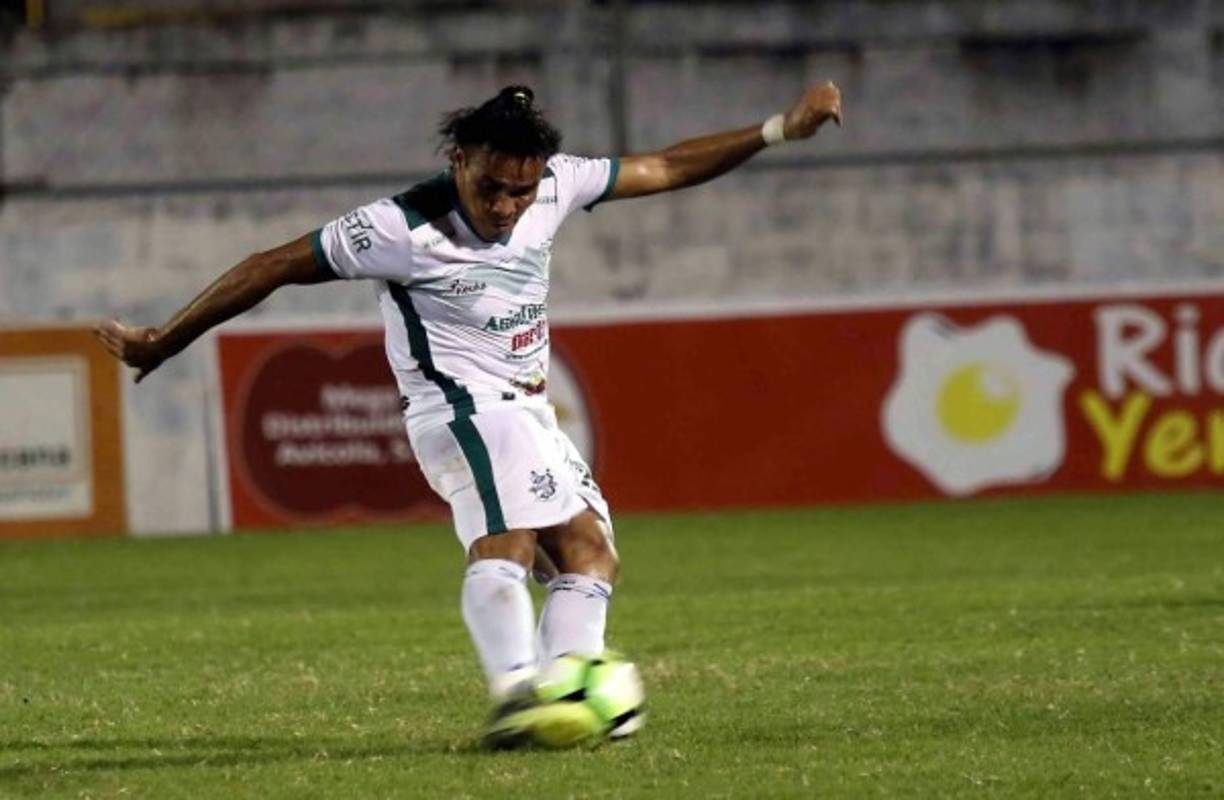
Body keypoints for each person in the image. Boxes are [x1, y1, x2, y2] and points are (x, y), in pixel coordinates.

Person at [95, 81, 843, 746]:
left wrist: (777, 129)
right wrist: (165, 340)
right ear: (459, 159)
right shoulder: (397, 228)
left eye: (521, 191)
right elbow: (271, 266)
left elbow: (669, 166)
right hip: (458, 409)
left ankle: (569, 694)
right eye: (492, 187)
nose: (507, 207)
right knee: (508, 539)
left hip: (527, 409)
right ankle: (518, 693)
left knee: (590, 555)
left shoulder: (558, 184)